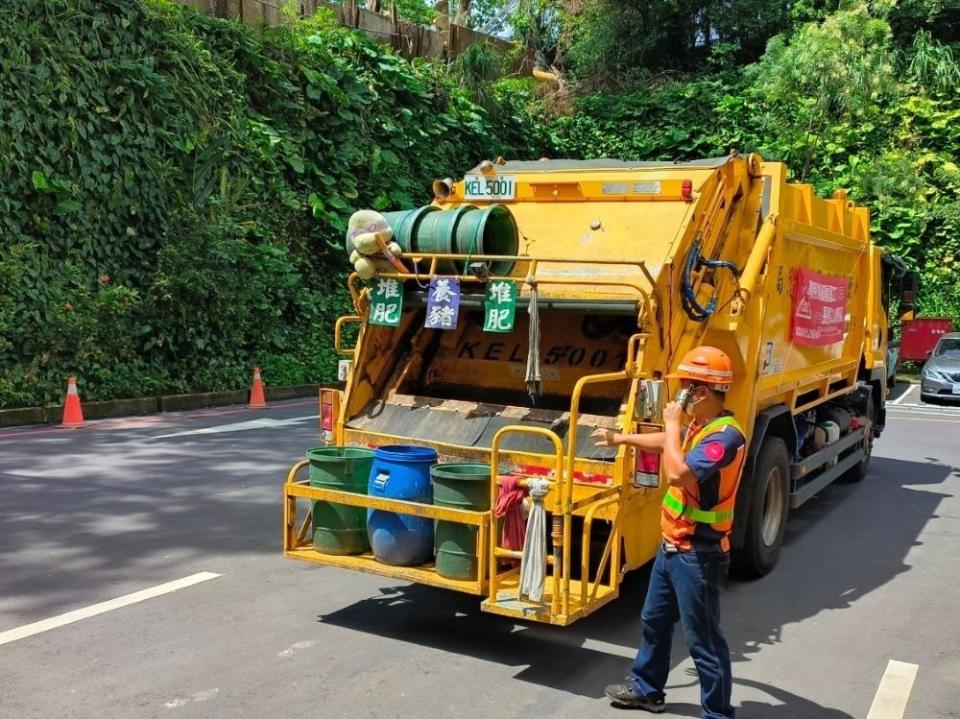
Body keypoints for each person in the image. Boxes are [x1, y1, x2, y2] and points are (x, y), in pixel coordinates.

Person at [592, 346, 746, 718]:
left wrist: (673, 424)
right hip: (672, 545)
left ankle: (717, 714)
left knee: (704, 641)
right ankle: (647, 689)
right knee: (654, 621)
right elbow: (668, 443)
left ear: (702, 391)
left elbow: (678, 472)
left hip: (700, 554)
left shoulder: (725, 437)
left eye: (686, 388)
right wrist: (620, 440)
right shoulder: (699, 427)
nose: (681, 396)